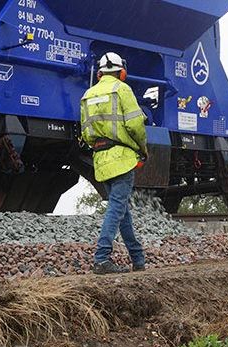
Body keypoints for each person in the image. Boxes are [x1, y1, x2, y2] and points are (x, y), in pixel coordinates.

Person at [80, 52, 148, 275]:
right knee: (117, 207)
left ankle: (138, 259)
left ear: (99, 73)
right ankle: (101, 258)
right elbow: (136, 125)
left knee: (122, 209)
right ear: (122, 72)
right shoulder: (122, 89)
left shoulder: (87, 95)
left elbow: (86, 134)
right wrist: (142, 150)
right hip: (122, 158)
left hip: (100, 160)